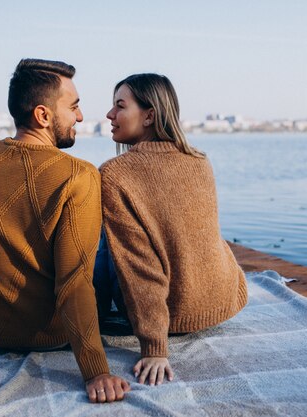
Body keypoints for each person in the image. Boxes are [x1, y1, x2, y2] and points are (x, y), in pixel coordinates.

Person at [0, 58, 130, 403]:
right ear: (43, 115)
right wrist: (96, 370)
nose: (80, 117)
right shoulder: (78, 175)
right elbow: (73, 281)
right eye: (74, 107)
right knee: (103, 245)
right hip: (47, 332)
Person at [96, 73, 248, 387]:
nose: (110, 115)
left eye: (119, 106)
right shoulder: (198, 159)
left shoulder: (114, 174)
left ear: (149, 115)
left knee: (101, 240)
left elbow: (140, 266)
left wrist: (154, 347)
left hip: (173, 314)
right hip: (223, 301)